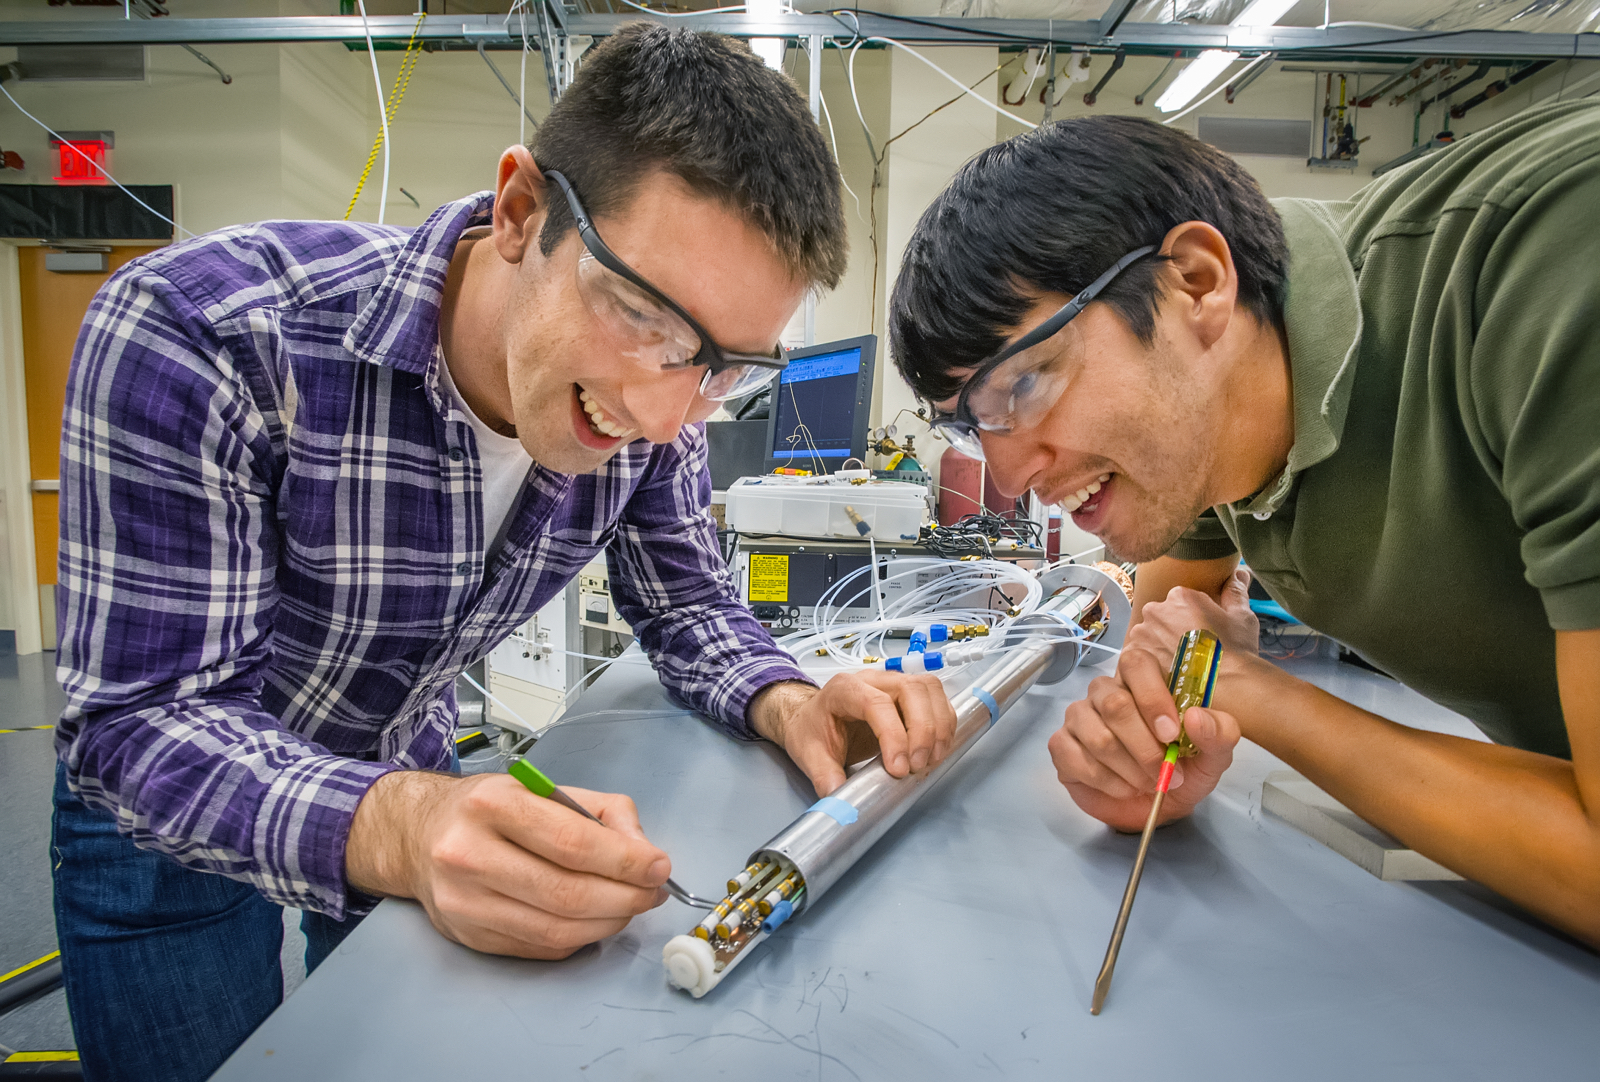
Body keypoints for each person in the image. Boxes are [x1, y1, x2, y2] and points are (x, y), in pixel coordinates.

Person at [53, 25, 956, 1082]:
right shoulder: (204, 330)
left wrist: (789, 697)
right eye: (642, 316)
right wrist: (399, 822)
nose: (667, 417)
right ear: (522, 211)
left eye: (723, 365)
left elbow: (687, 606)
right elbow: (138, 718)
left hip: (407, 766)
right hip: (171, 822)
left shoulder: (656, 400)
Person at [886, 102, 1600, 947]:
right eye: (971, 425)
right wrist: (1154, 756)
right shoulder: (1202, 425)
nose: (1009, 478)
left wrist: (1264, 700)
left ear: (1195, 281)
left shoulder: (1546, 258)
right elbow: (1168, 685)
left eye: (1027, 385)